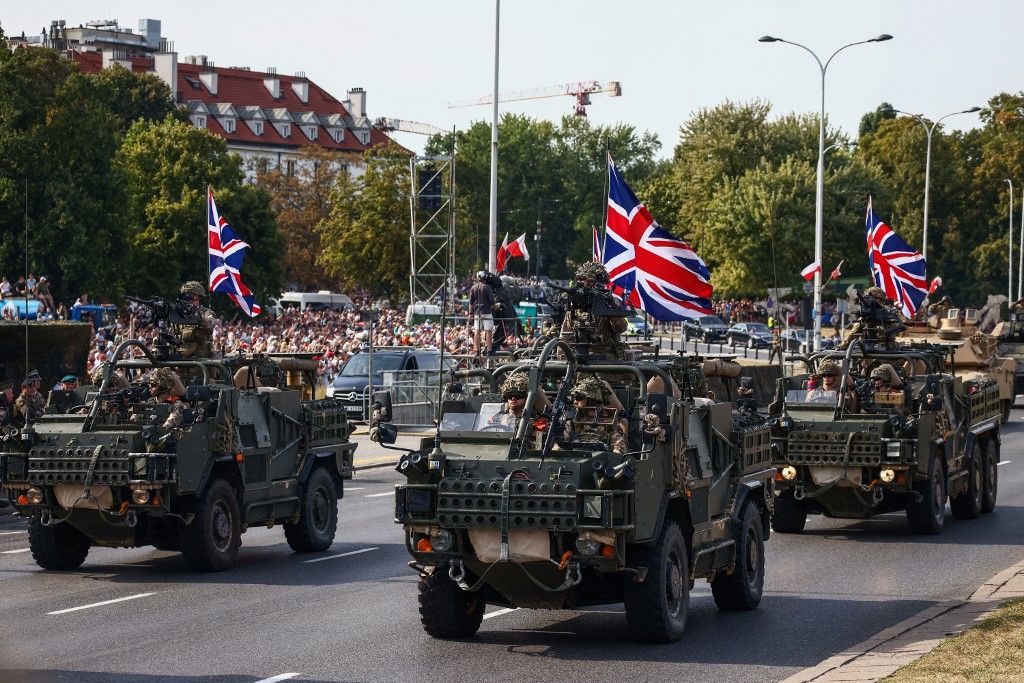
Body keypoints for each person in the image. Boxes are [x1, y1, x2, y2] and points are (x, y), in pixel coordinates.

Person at [560, 263, 629, 359]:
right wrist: (562, 356)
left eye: (590, 282)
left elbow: (621, 328)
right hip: (579, 358)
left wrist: (611, 307)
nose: (584, 285)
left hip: (606, 359)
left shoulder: (610, 302)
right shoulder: (575, 305)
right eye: (581, 280)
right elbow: (565, 335)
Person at [565, 375, 626, 453]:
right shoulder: (571, 421)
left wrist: (615, 452)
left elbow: (619, 449)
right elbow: (561, 443)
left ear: (591, 399)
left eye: (578, 398)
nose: (575, 402)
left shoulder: (608, 422)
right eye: (574, 398)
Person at [132, 367, 187, 431]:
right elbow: (133, 424)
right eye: (149, 384)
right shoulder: (148, 403)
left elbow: (165, 429)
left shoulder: (177, 406)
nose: (149, 387)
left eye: (153, 384)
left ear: (163, 387)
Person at [175, 281, 217, 358]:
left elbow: (210, 323)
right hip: (179, 357)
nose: (186, 298)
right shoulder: (178, 313)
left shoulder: (206, 312)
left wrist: (194, 314)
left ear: (198, 296)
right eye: (185, 295)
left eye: (189, 295)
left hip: (200, 358)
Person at [468, 271, 496, 355]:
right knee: (488, 331)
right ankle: (489, 350)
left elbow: (470, 302)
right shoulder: (487, 288)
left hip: (477, 313)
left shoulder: (473, 288)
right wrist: (494, 306)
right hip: (486, 311)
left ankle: (477, 350)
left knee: (477, 330)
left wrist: (470, 313)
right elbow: (492, 301)